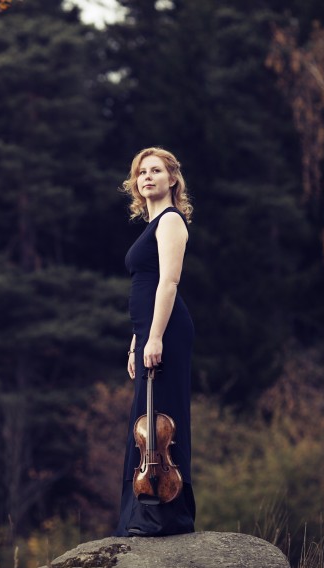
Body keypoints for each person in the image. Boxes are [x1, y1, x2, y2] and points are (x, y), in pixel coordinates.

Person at [114, 147, 196, 537]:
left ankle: (166, 515)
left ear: (172, 179)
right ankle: (141, 513)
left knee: (165, 420)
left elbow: (168, 283)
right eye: (141, 172)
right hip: (150, 332)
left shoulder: (170, 222)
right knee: (146, 425)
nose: (147, 177)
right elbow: (144, 288)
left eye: (156, 170)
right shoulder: (151, 225)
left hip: (167, 332)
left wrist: (156, 336)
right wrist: (137, 339)